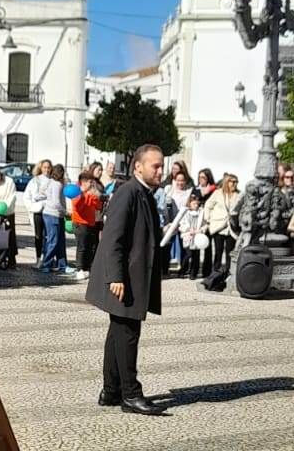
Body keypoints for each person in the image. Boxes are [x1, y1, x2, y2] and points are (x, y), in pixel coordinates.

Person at [86, 143, 165, 416]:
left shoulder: (145, 193)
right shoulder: (128, 192)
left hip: (130, 277)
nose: (160, 170)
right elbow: (113, 239)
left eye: (162, 165)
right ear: (138, 166)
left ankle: (111, 390)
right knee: (128, 335)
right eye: (156, 165)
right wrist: (116, 277)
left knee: (118, 334)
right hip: (123, 278)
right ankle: (130, 394)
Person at [201, 173, 240, 277]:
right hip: (218, 226)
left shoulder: (239, 195)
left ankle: (227, 273)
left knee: (229, 252)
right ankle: (215, 273)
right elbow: (208, 205)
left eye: (236, 182)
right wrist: (208, 219)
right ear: (227, 182)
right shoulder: (218, 193)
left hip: (231, 227)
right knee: (218, 251)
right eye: (233, 182)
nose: (235, 184)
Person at [38, 165, 69, 275]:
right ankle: (46, 264)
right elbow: (56, 202)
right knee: (53, 241)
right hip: (53, 214)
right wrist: (65, 211)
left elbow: (43, 193)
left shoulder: (50, 182)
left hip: (52, 214)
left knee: (59, 241)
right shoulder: (57, 184)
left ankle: (62, 265)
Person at [71, 170, 103, 277]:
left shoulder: (91, 193)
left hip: (90, 223)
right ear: (83, 182)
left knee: (90, 246)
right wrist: (87, 196)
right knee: (82, 247)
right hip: (80, 223)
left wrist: (96, 197)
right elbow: (78, 207)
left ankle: (87, 267)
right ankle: (80, 269)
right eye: (90, 182)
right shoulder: (77, 192)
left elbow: (98, 206)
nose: (92, 184)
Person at [26, 159, 54, 264]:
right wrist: (32, 206)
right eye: (44, 167)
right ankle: (38, 258)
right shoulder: (35, 180)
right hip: (38, 211)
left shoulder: (52, 180)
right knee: (38, 236)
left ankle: (47, 258)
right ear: (41, 168)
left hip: (50, 211)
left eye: (48, 167)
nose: (46, 169)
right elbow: (30, 196)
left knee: (49, 236)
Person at [175, 191, 204, 279]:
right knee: (188, 254)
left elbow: (205, 224)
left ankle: (193, 273)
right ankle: (182, 271)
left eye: (197, 203)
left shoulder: (201, 213)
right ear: (190, 204)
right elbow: (181, 224)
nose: (196, 205)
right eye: (194, 203)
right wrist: (188, 229)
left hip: (197, 236)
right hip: (188, 236)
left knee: (196, 255)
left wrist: (200, 230)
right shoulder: (186, 213)